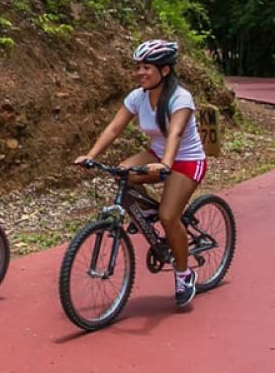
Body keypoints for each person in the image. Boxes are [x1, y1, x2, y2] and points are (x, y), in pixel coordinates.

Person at [74, 40, 207, 308]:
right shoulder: (138, 96)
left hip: (186, 160)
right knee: (121, 172)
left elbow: (176, 133)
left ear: (165, 70)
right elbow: (113, 128)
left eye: (147, 67)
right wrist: (92, 155)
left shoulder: (181, 98)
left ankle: (184, 275)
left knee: (169, 217)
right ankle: (147, 211)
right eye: (139, 67)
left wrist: (166, 164)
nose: (140, 73)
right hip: (158, 156)